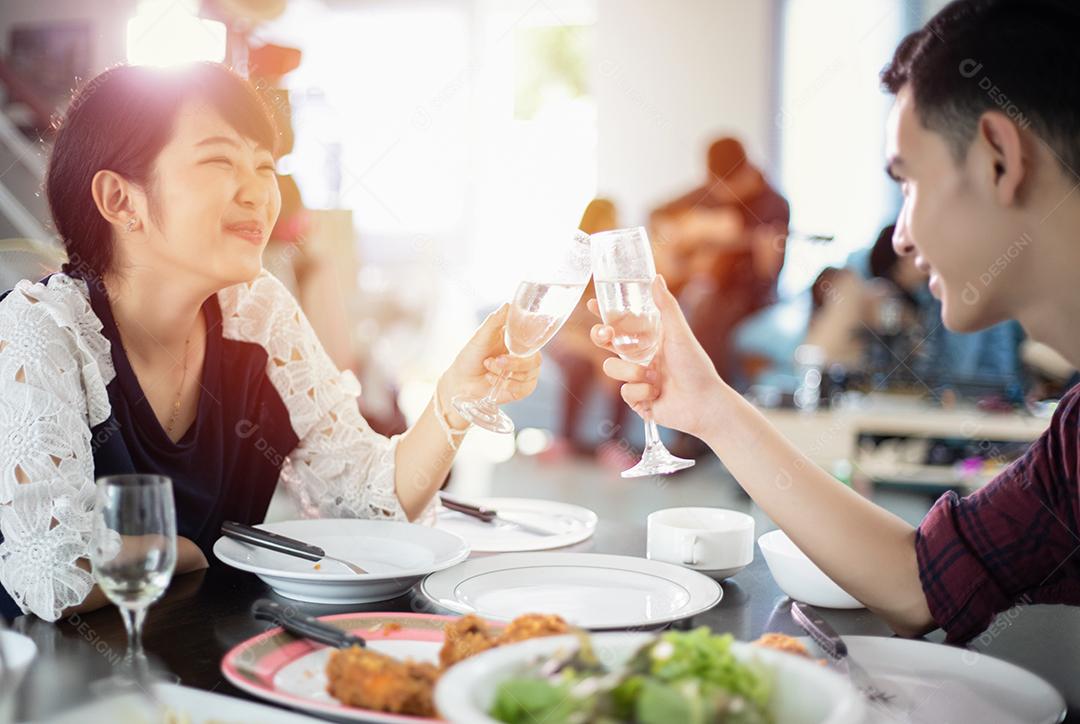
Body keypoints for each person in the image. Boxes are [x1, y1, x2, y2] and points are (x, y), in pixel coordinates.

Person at [591, 0, 1080, 643]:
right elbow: (920, 583)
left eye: (907, 183)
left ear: (998, 157)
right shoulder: (1071, 440)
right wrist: (710, 405)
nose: (901, 237)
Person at [0, 63, 541, 622]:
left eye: (266, 166)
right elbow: (53, 575)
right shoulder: (45, 331)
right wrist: (192, 550)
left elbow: (373, 505)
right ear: (120, 200)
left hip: (214, 670)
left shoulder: (256, 311)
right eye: (220, 161)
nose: (259, 191)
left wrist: (454, 397)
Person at [544, 199, 631, 466]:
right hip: (571, 343)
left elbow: (620, 323)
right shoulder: (575, 265)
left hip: (602, 344)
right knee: (578, 365)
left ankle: (614, 444)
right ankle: (564, 439)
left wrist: (601, 355)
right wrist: (595, 355)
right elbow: (565, 328)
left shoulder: (619, 268)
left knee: (622, 368)